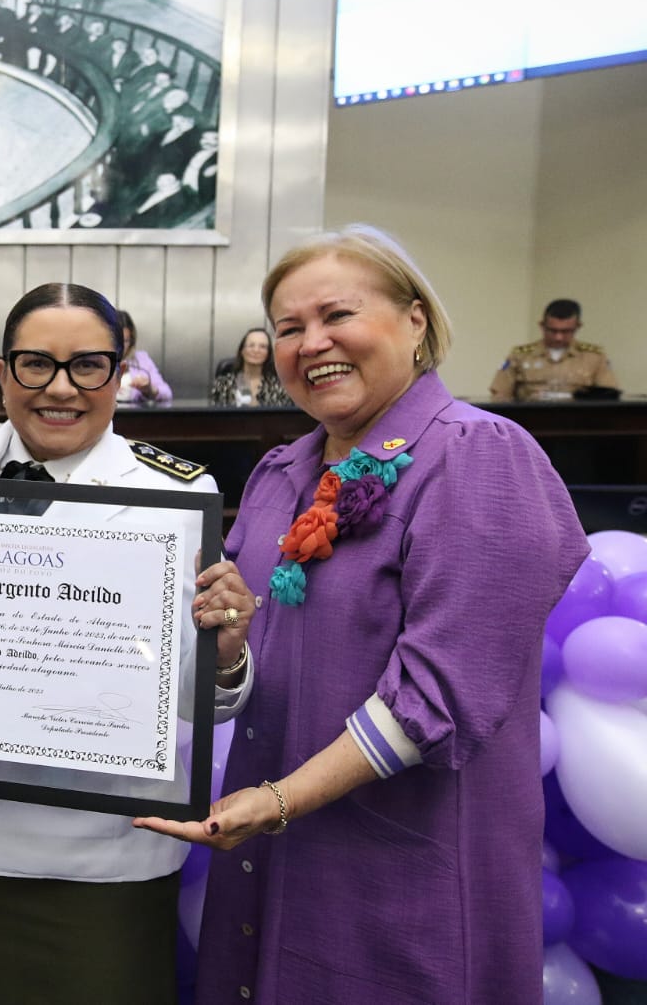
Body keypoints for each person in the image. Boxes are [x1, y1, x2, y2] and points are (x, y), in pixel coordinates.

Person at [133, 225, 589, 1003]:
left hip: (404, 869)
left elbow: (440, 694)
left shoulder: (481, 457)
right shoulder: (283, 472)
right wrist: (232, 651)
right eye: (288, 327)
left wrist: (276, 801)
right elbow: (249, 672)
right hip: (272, 854)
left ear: (416, 321)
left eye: (337, 315)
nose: (312, 343)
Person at [0, 282, 256, 1002]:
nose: (61, 388)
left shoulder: (181, 494)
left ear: (120, 370)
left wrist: (224, 658)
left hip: (111, 843)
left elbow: (205, 704)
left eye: (88, 366)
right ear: (3, 372)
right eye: (36, 364)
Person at [490, 297, 620, 401]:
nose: (558, 337)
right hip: (529, 422)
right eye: (553, 330)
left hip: (579, 423)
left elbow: (608, 394)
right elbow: (500, 394)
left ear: (578, 327)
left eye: (566, 331)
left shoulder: (594, 357)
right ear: (542, 326)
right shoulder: (520, 356)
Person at [210, 327, 291, 407]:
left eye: (262, 347)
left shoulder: (279, 387)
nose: (256, 350)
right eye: (251, 345)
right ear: (242, 351)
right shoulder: (223, 384)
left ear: (268, 354)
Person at [113, 309, 171, 402]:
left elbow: (166, 393)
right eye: (116, 340)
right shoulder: (98, 359)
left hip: (132, 414)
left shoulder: (141, 360)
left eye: (125, 341)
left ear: (131, 340)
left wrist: (149, 390)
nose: (120, 346)